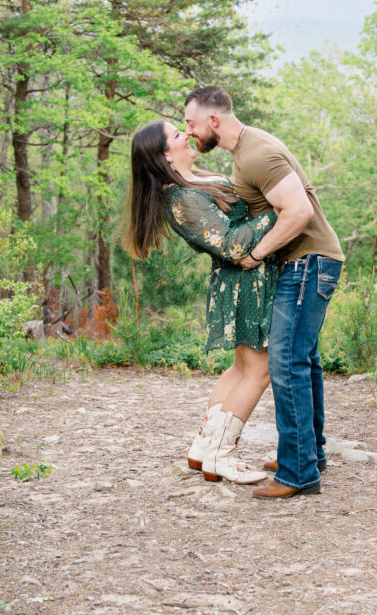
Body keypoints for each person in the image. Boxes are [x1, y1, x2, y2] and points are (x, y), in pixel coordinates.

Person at [184, 86, 344, 500]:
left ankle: (298, 474)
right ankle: (309, 453)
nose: (189, 133)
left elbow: (300, 211)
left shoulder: (257, 154)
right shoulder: (244, 151)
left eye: (191, 123)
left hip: (308, 263)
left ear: (213, 121)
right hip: (308, 263)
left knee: (286, 362)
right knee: (303, 361)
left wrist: (256, 253)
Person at [122, 119, 280, 485]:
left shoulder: (191, 181)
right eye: (178, 135)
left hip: (246, 281)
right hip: (243, 282)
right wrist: (279, 211)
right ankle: (221, 457)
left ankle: (205, 447)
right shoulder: (179, 197)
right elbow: (232, 244)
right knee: (259, 370)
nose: (187, 135)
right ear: (165, 154)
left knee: (242, 368)